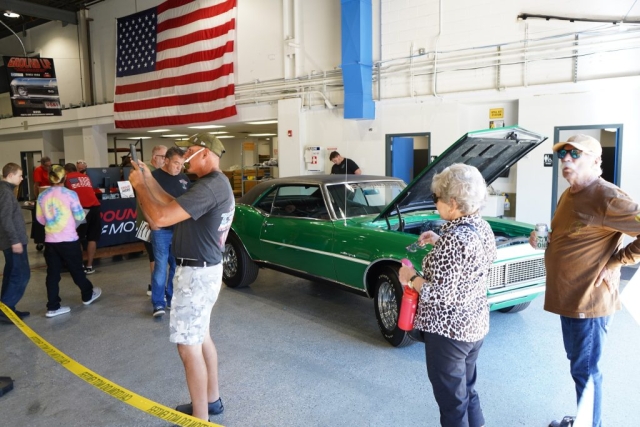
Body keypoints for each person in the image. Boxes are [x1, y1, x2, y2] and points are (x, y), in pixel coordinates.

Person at [529, 134, 640, 427]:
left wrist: (617, 261)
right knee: (579, 365)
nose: (566, 159)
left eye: (575, 154)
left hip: (588, 302)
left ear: (595, 160)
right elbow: (567, 235)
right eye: (563, 154)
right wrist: (542, 239)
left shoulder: (608, 197)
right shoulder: (570, 194)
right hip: (568, 297)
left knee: (586, 370)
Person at [129, 133, 234, 421]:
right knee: (201, 338)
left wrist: (139, 186)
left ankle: (200, 418)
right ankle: (211, 401)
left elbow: (159, 218)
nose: (185, 156)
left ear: (205, 154)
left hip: (196, 275)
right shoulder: (212, 184)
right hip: (205, 271)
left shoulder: (209, 187)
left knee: (188, 347)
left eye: (190, 151)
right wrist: (148, 178)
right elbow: (171, 203)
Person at [399, 163, 497, 427]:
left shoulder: (455, 240)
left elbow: (438, 294)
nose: (435, 203)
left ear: (453, 202)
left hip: (448, 333)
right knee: (467, 391)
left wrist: (412, 278)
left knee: (453, 404)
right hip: (473, 325)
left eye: (436, 198)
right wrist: (438, 240)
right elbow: (468, 262)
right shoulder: (482, 228)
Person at [36, 165, 102, 318]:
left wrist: (52, 222)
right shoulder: (70, 194)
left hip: (50, 240)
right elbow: (80, 216)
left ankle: (53, 307)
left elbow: (39, 219)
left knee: (52, 274)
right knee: (77, 270)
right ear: (64, 178)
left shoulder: (42, 195)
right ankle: (87, 294)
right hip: (69, 239)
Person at [145, 147, 190, 318]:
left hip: (179, 230)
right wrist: (152, 222)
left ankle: (171, 298)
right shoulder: (153, 177)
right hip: (161, 230)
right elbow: (144, 201)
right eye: (176, 163)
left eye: (182, 164)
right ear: (166, 160)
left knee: (176, 267)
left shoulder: (184, 179)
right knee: (161, 266)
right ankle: (158, 302)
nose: (179, 167)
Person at [135, 145, 168, 296]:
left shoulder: (160, 172)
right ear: (155, 157)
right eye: (164, 157)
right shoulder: (147, 172)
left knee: (156, 256)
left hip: (157, 220)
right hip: (147, 222)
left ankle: (156, 286)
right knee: (154, 256)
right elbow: (143, 198)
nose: (166, 160)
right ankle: (156, 288)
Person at [0, 163, 31, 323]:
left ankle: (7, 309)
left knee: (11, 274)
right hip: (14, 242)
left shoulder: (6, 190)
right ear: (10, 175)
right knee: (21, 275)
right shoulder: (5, 192)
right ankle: (4, 309)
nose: (22, 178)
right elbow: (5, 219)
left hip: (13, 241)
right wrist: (15, 241)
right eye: (20, 175)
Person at [64, 163, 101, 275]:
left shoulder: (67, 178)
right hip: (95, 208)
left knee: (78, 238)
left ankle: (80, 266)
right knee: (92, 238)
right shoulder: (85, 177)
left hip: (81, 210)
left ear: (66, 171)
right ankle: (89, 266)